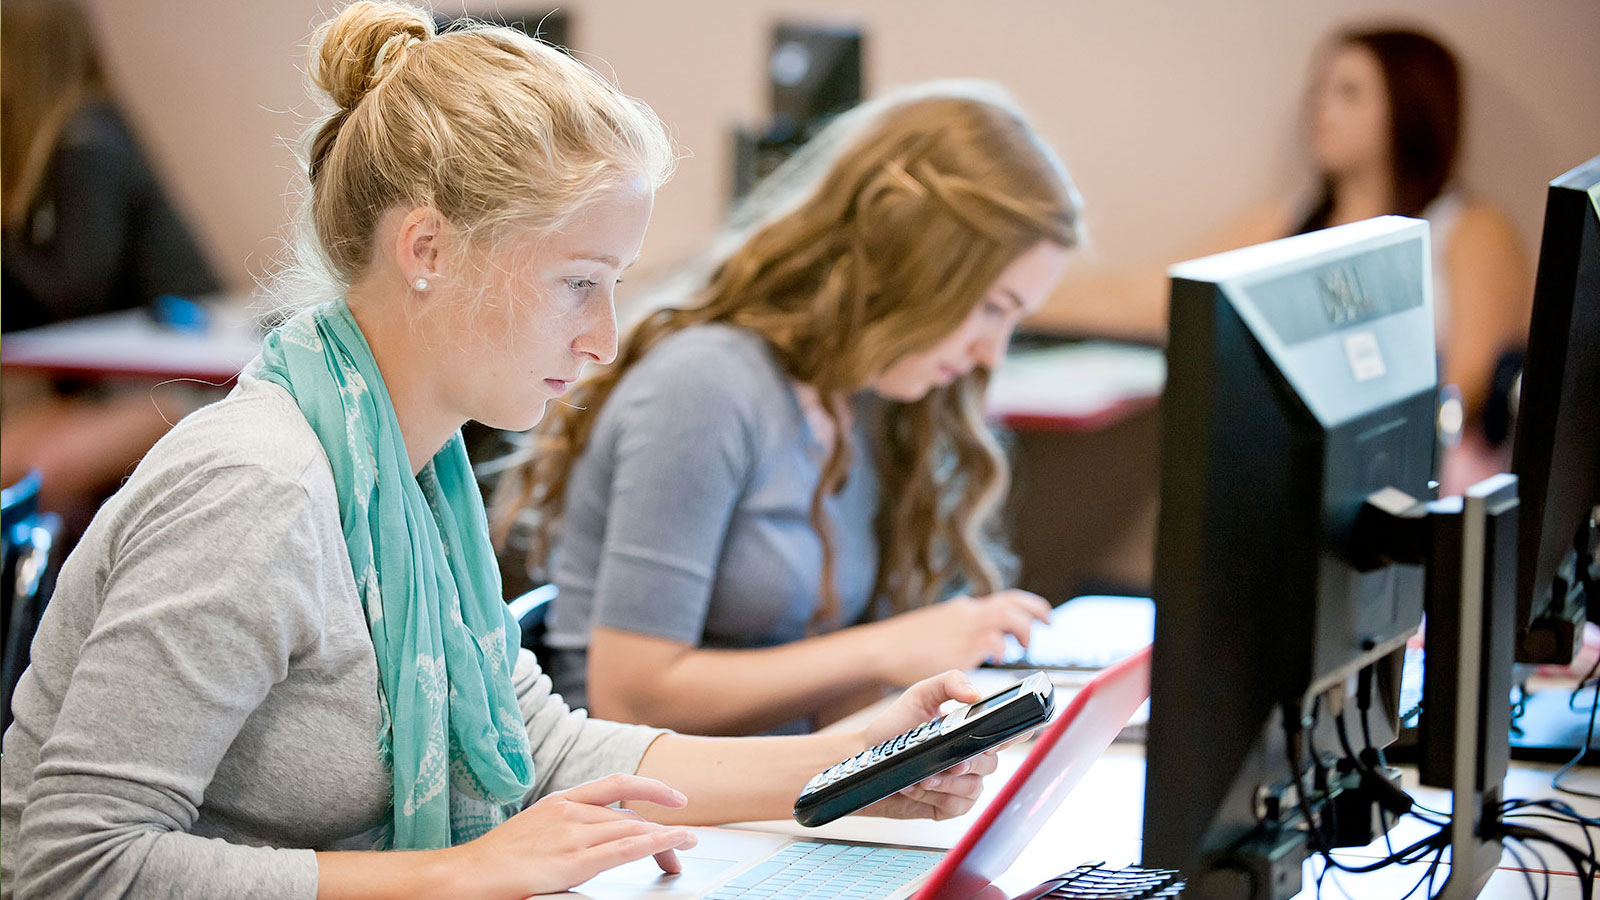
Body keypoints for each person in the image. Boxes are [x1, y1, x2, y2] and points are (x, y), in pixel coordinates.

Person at [0, 5, 999, 899]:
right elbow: (74, 866)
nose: (604, 336)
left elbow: (536, 745)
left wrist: (849, 760)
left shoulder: (410, 473)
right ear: (427, 249)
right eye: (576, 282)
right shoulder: (258, 490)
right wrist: (457, 873)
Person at [491, 83, 1079, 737]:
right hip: (655, 810)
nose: (989, 354)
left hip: (780, 788)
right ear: (912, 265)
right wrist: (887, 649)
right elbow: (634, 699)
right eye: (991, 307)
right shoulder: (705, 388)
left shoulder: (881, 401)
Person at [1029, 25, 1532, 487]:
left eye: (1349, 93)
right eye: (1319, 91)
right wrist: (1014, 298)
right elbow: (1160, 296)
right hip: (1299, 475)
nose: (1322, 109)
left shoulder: (1468, 230)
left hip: (1420, 479)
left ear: (1411, 105)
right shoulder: (1283, 225)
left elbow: (1467, 384)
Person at [0, 0, 224, 533]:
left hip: (183, 382)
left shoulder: (90, 140)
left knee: (30, 472)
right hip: (107, 384)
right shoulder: (43, 148)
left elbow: (71, 290)